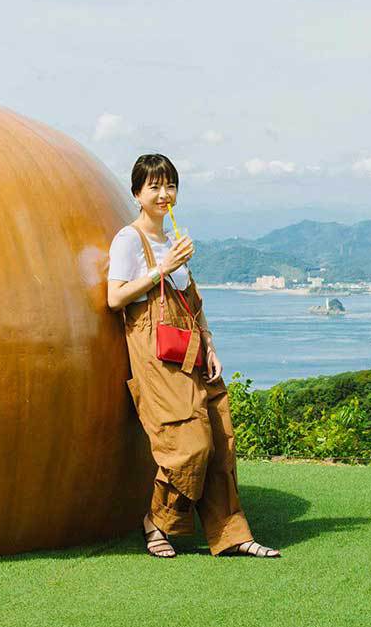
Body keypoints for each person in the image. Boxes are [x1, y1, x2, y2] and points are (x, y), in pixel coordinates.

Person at [105, 153, 281, 559]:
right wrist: (162, 268)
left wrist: (211, 343)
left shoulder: (174, 240)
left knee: (220, 442)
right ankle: (158, 522)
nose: (164, 194)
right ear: (137, 194)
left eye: (170, 185)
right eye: (154, 186)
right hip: (157, 355)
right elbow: (115, 298)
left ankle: (233, 534)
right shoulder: (129, 240)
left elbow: (192, 304)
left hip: (194, 349)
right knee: (189, 444)